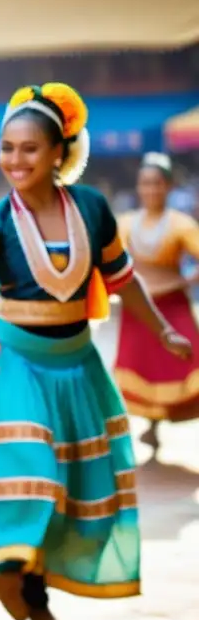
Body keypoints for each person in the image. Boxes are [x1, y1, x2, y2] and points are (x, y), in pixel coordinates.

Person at [0, 83, 191, 620]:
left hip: (77, 366)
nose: (14, 160)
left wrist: (163, 329)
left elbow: (122, 281)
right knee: (33, 475)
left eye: (29, 149)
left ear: (60, 152)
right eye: (7, 148)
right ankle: (6, 576)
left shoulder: (91, 208)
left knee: (69, 484)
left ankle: (33, 591)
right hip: (14, 363)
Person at [112, 152, 199, 452]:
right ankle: (152, 426)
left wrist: (189, 279)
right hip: (138, 308)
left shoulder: (181, 224)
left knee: (185, 364)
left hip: (173, 304)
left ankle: (161, 424)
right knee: (144, 369)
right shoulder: (125, 223)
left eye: (158, 183)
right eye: (146, 183)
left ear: (169, 186)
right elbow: (111, 261)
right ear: (138, 186)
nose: (151, 189)